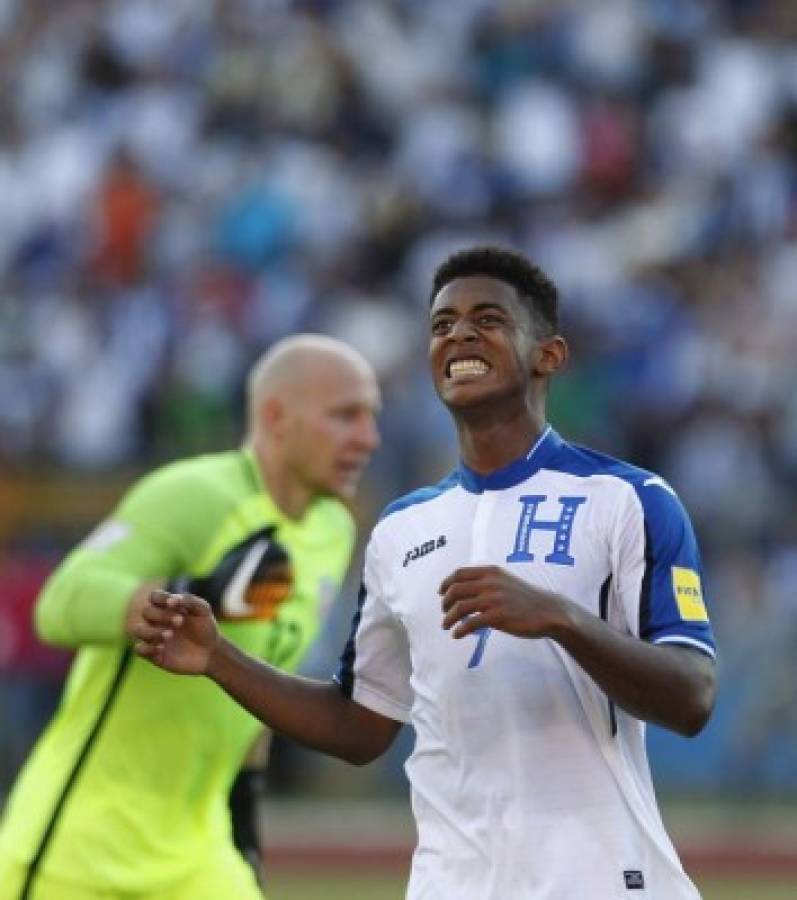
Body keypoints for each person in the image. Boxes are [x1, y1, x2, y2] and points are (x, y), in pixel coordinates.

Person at [133, 245, 717, 900]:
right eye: (442, 324)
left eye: (488, 319)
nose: (459, 334)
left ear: (548, 355)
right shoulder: (400, 529)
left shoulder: (629, 500)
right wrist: (219, 659)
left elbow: (691, 696)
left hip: (600, 880)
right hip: (448, 884)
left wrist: (561, 619)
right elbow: (360, 726)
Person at [0, 334, 381, 900]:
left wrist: (245, 815)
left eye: (372, 417)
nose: (368, 438)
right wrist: (185, 598)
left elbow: (268, 670)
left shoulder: (333, 530)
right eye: (345, 416)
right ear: (276, 417)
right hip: (81, 850)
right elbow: (60, 602)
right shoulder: (196, 495)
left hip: (199, 853)